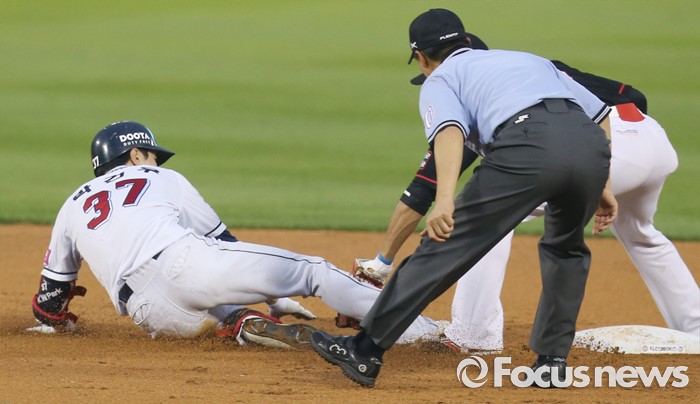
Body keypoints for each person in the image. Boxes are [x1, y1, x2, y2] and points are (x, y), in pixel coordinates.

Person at [309, 8, 617, 388]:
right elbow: (600, 113)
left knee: (445, 245)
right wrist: (602, 182)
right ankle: (551, 362)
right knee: (566, 250)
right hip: (589, 147)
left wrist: (444, 201)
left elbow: (449, 132)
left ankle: (365, 349)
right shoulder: (527, 59)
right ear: (467, 41)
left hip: (528, 145)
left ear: (421, 58)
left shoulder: (441, 78)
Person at [353, 41, 700, 352]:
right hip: (646, 137)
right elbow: (632, 96)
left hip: (591, 146)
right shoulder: (531, 70)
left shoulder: (474, 96)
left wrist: (381, 263)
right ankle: (695, 327)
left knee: (495, 217)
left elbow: (425, 187)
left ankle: (474, 333)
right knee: (641, 234)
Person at [29, 121, 445, 347]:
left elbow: (50, 301)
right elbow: (225, 244)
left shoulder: (71, 205)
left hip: (148, 312)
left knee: (217, 310)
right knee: (313, 272)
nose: (155, 161)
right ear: (135, 154)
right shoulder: (160, 176)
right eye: (152, 154)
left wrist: (55, 322)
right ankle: (425, 333)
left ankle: (241, 323)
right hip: (184, 265)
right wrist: (276, 295)